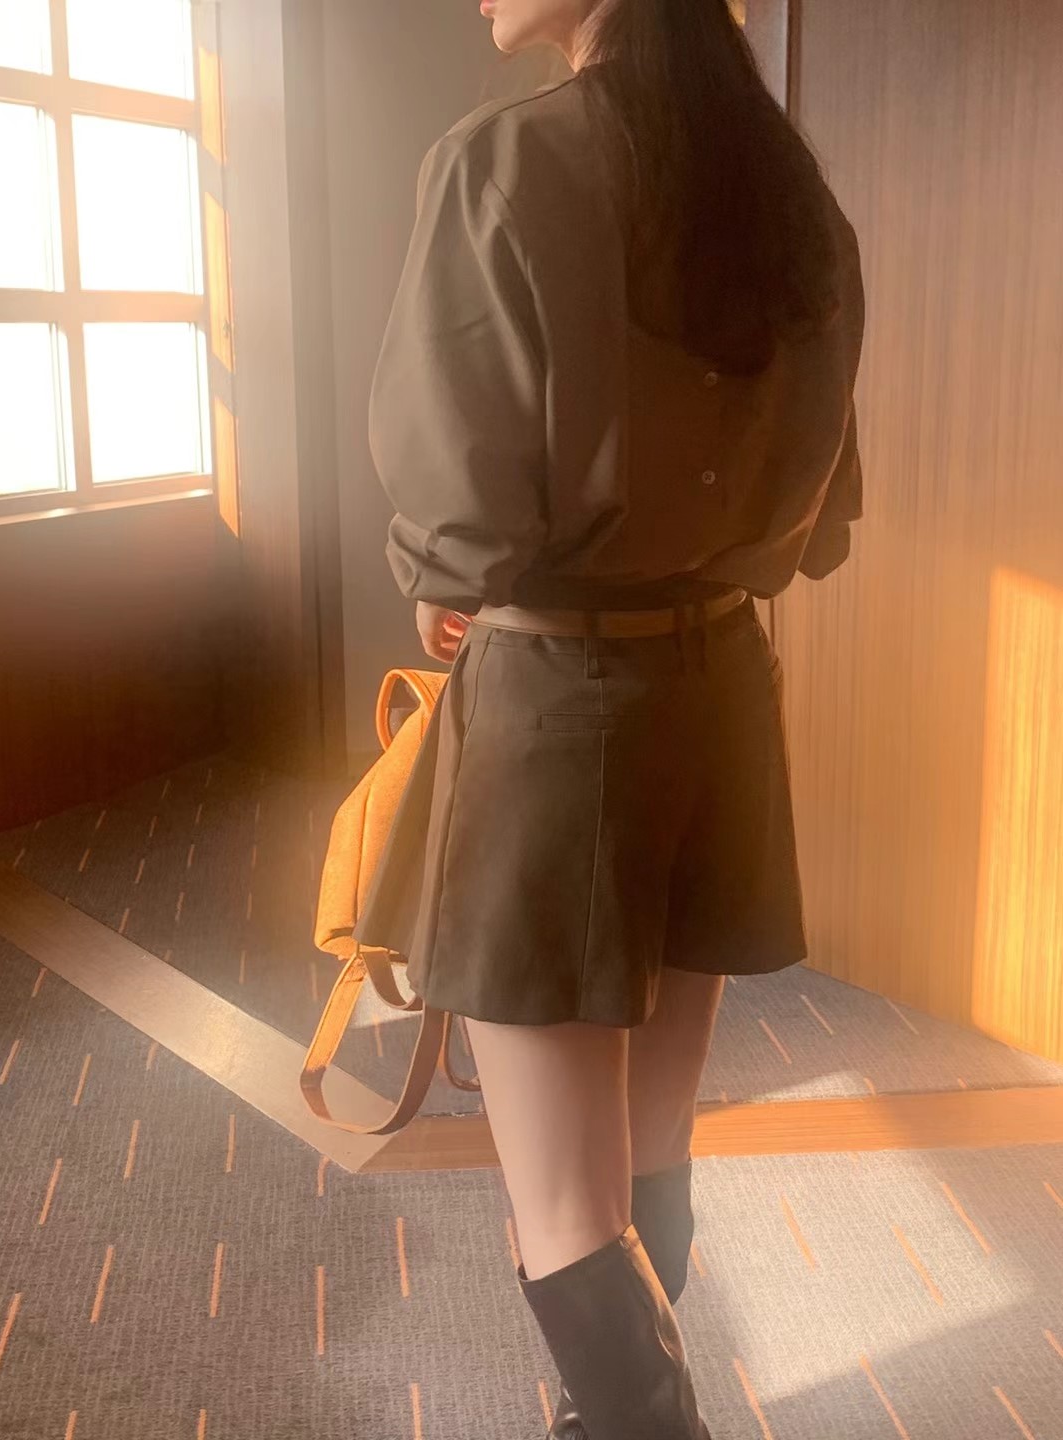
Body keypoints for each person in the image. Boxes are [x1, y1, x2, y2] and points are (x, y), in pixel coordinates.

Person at [351, 1, 864, 1435]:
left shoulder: (505, 161)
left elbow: (459, 514)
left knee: (566, 1205)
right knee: (646, 1155)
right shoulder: (786, 184)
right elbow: (824, 513)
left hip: (563, 707)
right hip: (723, 695)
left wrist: (441, 582)